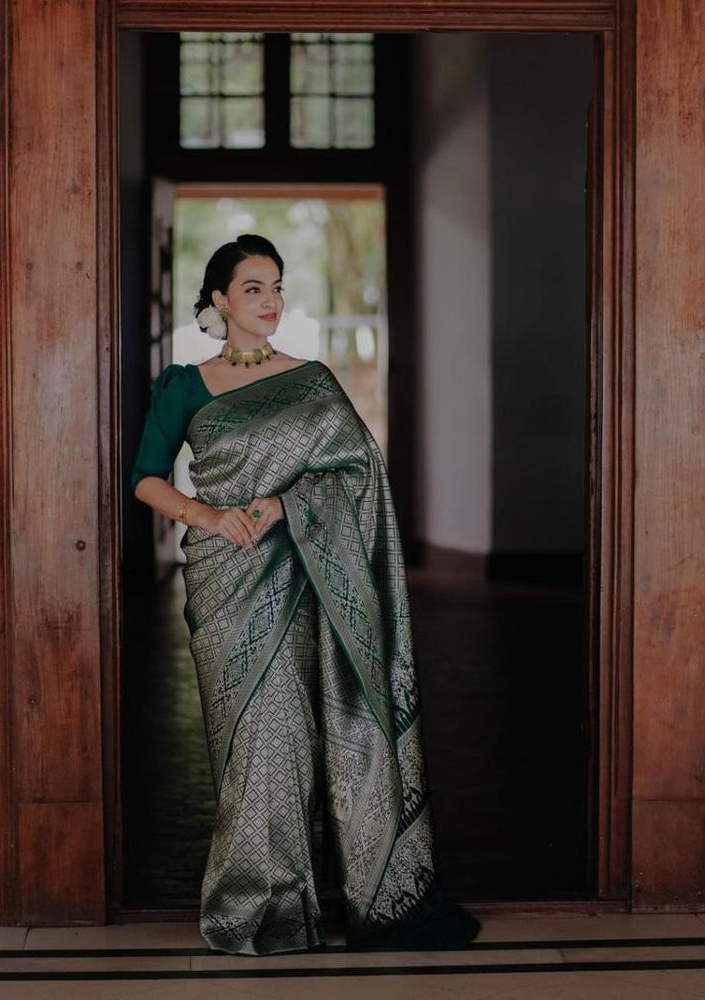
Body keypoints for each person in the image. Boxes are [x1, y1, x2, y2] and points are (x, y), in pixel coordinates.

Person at [132, 233, 480, 956]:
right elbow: (146, 478)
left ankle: (304, 901)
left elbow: (358, 473)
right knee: (255, 739)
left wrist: (290, 507)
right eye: (253, 287)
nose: (270, 301)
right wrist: (210, 515)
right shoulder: (185, 386)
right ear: (219, 299)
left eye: (277, 286)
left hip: (307, 577)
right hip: (228, 582)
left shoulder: (314, 381)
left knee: (301, 734)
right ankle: (254, 907)